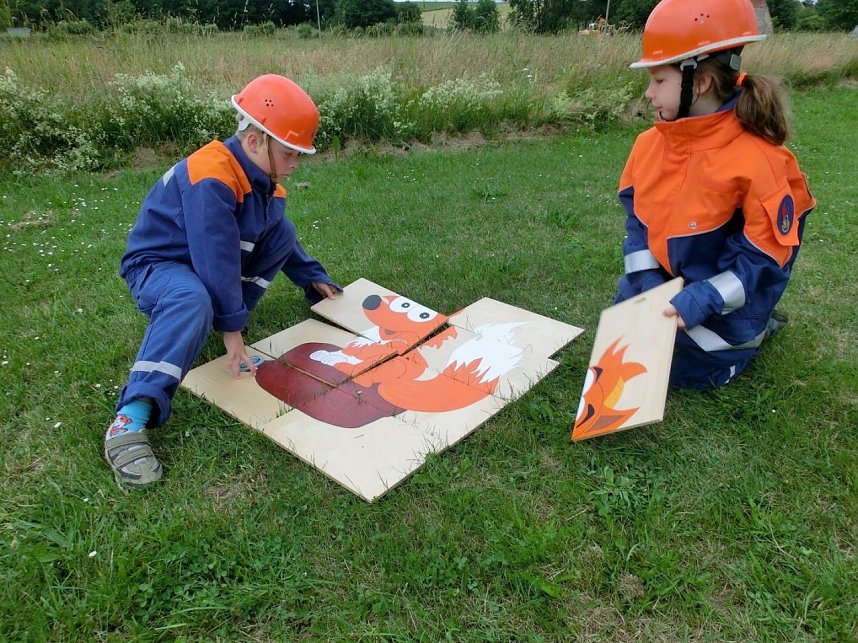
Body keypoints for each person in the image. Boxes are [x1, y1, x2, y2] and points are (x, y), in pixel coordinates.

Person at [104, 74, 338, 488]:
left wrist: (312, 278)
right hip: (157, 265)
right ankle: (130, 418)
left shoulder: (266, 185)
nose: (296, 164)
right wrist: (232, 331)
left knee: (282, 231)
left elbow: (276, 236)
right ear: (255, 142)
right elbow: (215, 256)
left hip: (199, 267)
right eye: (289, 153)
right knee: (191, 298)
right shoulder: (211, 176)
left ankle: (216, 314)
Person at [614, 0, 815, 390]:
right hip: (672, 287)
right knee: (628, 349)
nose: (649, 93)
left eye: (658, 80)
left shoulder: (760, 160)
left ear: (700, 82)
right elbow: (638, 226)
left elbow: (763, 260)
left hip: (723, 301)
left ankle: (758, 329)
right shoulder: (648, 145)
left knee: (680, 373)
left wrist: (703, 299)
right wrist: (649, 284)